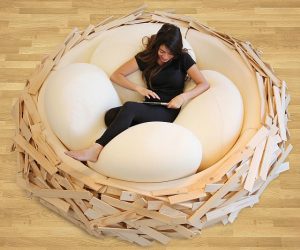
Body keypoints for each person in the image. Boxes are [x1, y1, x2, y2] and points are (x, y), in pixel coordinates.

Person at [64, 23, 210, 162]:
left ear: (176, 51)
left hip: (168, 109)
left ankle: (95, 150)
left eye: (170, 53)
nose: (165, 57)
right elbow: (116, 75)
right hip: (149, 106)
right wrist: (139, 88)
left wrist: (183, 97)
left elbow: (204, 84)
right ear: (157, 46)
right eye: (162, 51)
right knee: (110, 116)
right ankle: (137, 135)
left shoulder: (183, 59)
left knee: (129, 108)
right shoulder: (147, 57)